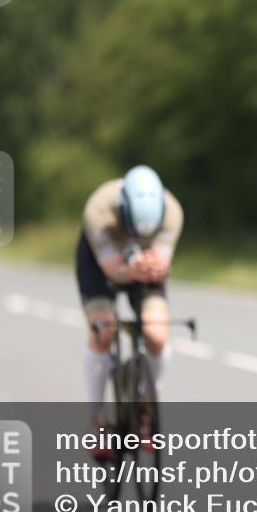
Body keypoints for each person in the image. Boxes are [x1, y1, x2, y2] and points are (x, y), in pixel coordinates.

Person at [75, 165, 183, 453]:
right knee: (104, 329)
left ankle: (146, 407)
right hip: (100, 263)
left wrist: (151, 266)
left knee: (157, 333)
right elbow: (113, 271)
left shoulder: (172, 212)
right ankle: (97, 420)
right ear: (122, 211)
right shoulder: (99, 209)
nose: (135, 237)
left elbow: (160, 265)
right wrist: (132, 267)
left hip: (143, 267)